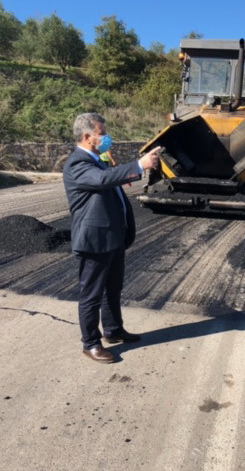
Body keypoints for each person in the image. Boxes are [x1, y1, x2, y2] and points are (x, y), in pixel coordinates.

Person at [63, 113, 160, 363]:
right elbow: (103, 181)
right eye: (102, 133)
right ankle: (91, 343)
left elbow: (110, 182)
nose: (107, 137)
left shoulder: (98, 160)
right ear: (87, 137)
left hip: (113, 238)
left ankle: (114, 330)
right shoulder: (78, 163)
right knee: (91, 295)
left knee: (113, 289)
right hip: (94, 240)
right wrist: (139, 165)